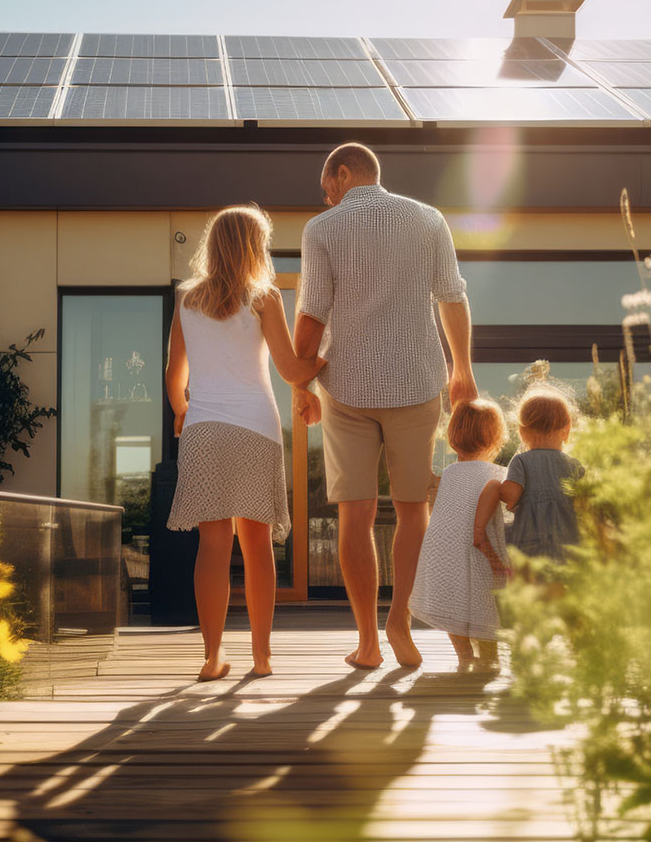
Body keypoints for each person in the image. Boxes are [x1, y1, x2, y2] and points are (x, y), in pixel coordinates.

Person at [291, 142, 477, 670]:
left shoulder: (321, 230)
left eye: (327, 185)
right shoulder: (428, 218)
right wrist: (461, 371)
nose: (325, 197)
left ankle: (367, 641)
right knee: (414, 506)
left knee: (356, 511)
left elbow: (312, 314)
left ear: (344, 174)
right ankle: (401, 621)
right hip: (418, 381)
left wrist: (300, 386)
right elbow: (452, 296)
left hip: (345, 386)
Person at [166, 205, 324, 681]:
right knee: (256, 545)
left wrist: (181, 412)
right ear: (256, 248)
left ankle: (212, 657)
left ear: (212, 245)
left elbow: (175, 373)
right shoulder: (264, 298)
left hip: (205, 429)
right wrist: (323, 360)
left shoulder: (186, 298)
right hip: (256, 426)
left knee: (213, 544)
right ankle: (261, 657)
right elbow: (291, 370)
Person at [409, 399, 510, 670]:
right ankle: (490, 658)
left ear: (453, 438)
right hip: (478, 548)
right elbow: (508, 510)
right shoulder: (498, 473)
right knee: (485, 603)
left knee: (452, 605)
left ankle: (465, 655)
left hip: (442, 547)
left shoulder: (449, 473)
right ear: (496, 438)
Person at [475, 386, 585, 565]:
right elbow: (583, 505)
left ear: (523, 432)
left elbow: (511, 495)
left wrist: (496, 488)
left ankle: (478, 531)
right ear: (567, 430)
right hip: (567, 544)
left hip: (529, 544)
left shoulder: (522, 462)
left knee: (530, 588)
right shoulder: (574, 465)